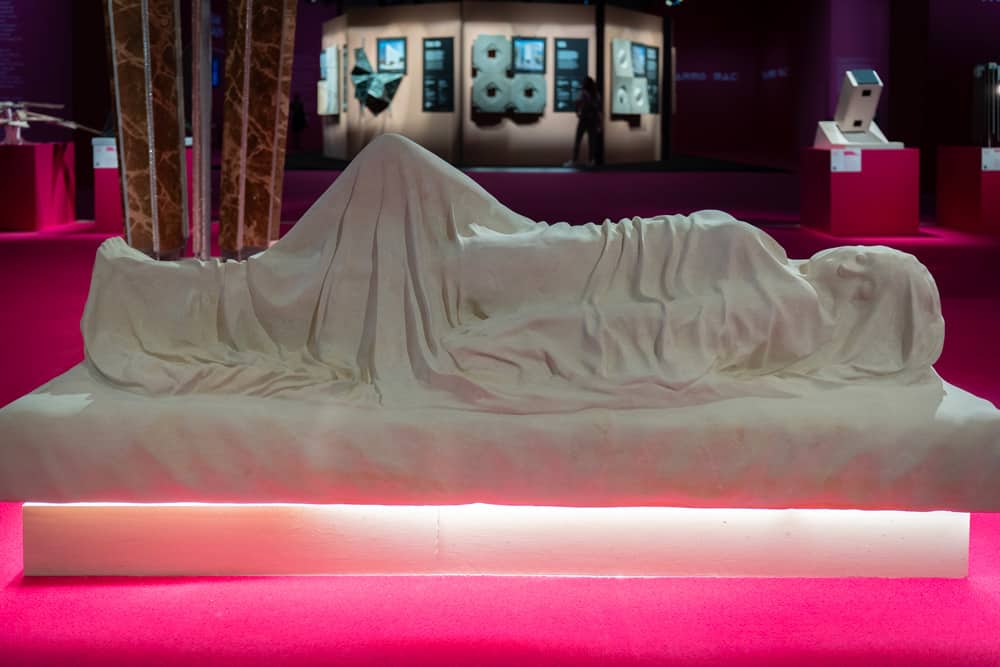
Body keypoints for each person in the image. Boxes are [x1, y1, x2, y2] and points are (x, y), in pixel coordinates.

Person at [566, 76, 601, 167]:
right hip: (592, 119)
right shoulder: (596, 94)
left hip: (584, 119)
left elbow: (577, 103)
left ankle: (575, 160)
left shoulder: (584, 93)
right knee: (591, 141)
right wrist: (598, 122)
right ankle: (591, 160)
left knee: (578, 140)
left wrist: (578, 112)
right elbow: (597, 108)